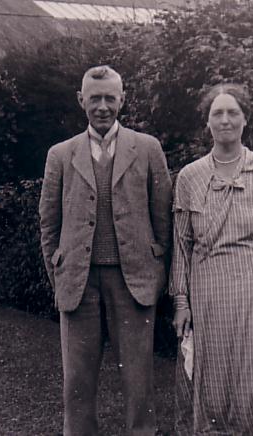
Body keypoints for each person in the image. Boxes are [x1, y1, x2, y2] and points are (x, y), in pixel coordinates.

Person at [39, 65, 172, 436]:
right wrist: (60, 271)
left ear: (122, 100)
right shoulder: (61, 154)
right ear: (81, 100)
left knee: (138, 378)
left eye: (109, 99)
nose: (102, 107)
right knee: (77, 381)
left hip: (133, 281)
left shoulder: (147, 149)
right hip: (78, 283)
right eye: (94, 98)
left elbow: (162, 218)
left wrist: (156, 271)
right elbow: (49, 222)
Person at [170, 83, 253, 435]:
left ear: (245, 120)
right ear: (207, 123)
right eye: (217, 113)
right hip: (209, 294)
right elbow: (182, 244)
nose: (225, 120)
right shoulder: (189, 178)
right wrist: (181, 302)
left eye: (233, 112)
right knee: (213, 386)